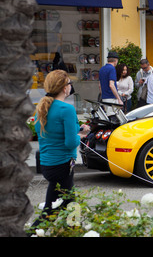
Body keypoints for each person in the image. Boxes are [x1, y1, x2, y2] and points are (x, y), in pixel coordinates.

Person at [31, 70, 90, 229]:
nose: (71, 87)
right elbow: (70, 143)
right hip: (62, 165)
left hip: (47, 164)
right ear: (65, 88)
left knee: (70, 204)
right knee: (53, 211)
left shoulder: (42, 108)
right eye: (70, 84)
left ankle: (73, 230)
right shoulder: (67, 109)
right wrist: (81, 136)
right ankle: (32, 232)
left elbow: (52, 134)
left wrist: (78, 130)